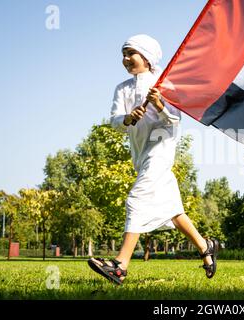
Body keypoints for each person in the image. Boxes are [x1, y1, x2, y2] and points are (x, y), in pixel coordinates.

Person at [88, 34, 218, 285]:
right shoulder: (122, 89)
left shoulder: (163, 84)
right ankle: (206, 248)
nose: (125, 59)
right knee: (173, 211)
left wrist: (159, 104)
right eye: (123, 54)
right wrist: (127, 118)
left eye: (131, 54)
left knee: (137, 198)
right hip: (140, 153)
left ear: (146, 58)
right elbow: (115, 122)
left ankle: (120, 265)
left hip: (162, 148)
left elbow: (176, 121)